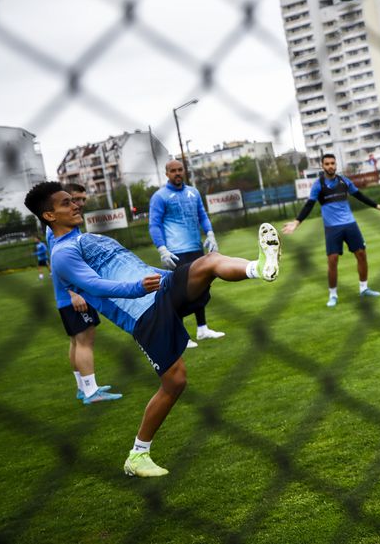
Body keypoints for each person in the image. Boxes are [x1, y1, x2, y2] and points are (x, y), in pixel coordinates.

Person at [26, 181, 281, 477]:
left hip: (161, 285)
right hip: (143, 312)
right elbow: (95, 285)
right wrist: (136, 287)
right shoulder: (62, 254)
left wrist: (156, 275)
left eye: (74, 200)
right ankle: (138, 455)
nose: (76, 205)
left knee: (209, 262)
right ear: (49, 216)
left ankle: (259, 268)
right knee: (176, 383)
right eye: (66, 203)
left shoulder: (76, 236)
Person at [282, 153, 380, 307]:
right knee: (332, 260)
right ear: (322, 166)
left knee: (361, 254)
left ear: (336, 165)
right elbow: (309, 205)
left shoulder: (344, 181)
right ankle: (333, 295)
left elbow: (360, 196)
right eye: (327, 163)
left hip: (350, 224)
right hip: (332, 228)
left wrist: (379, 206)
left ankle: (364, 288)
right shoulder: (318, 185)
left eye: (333, 163)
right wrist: (297, 222)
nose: (330, 166)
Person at [46, 183, 121, 404]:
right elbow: (57, 263)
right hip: (73, 295)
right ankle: (91, 392)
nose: (79, 204)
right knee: (85, 339)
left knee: (76, 340)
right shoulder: (56, 230)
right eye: (74, 199)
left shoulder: (63, 226)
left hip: (68, 294)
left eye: (82, 199)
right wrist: (73, 293)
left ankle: (83, 387)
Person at [149, 160, 224, 347]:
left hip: (196, 248)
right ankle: (180, 336)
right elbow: (154, 225)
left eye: (180, 170)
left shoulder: (194, 192)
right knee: (180, 294)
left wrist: (210, 234)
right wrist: (162, 249)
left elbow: (202, 215)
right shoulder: (160, 196)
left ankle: (202, 329)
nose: (177, 173)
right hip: (176, 252)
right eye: (173, 171)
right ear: (166, 173)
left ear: (184, 171)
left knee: (202, 289)